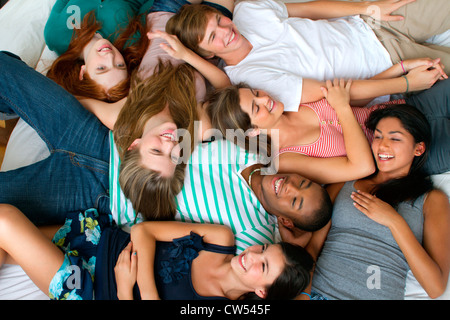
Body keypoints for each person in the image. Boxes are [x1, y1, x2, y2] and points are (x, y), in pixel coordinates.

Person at [0, 50, 197, 225]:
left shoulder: (196, 125)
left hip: (96, 193)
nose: (170, 143)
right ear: (133, 145)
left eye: (158, 151)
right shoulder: (135, 109)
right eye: (170, 154)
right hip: (94, 138)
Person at [166, 0, 449, 110]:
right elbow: (334, 93)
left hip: (370, 25)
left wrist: (367, 8)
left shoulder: (246, 12)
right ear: (206, 53)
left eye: (218, 20)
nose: (226, 30)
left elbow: (309, 9)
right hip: (389, 61)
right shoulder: (250, 81)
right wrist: (407, 83)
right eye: (213, 37)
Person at [0, 204, 315, 300]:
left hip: (92, 290)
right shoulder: (220, 237)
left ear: (261, 291)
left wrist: (126, 288)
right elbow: (143, 230)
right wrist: (147, 292)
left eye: (262, 266)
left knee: (5, 220)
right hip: (98, 241)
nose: (252, 255)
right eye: (263, 248)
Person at [205, 64, 450, 184]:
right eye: (256, 107)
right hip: (413, 151)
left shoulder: (295, 104)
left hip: (405, 108)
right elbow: (362, 167)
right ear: (253, 132)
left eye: (256, 93)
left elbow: (352, 96)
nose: (265, 98)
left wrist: (400, 71)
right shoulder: (287, 159)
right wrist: (342, 107)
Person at [308, 104, 450, 300]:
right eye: (378, 136)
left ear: (418, 148)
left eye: (395, 138)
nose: (382, 145)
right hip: (320, 293)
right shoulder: (344, 182)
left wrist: (394, 221)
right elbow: (313, 249)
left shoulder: (431, 200)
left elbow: (436, 288)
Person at [112, 138, 333, 252]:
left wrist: (298, 246)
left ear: (286, 221)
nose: (290, 186)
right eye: (302, 182)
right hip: (119, 143)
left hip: (111, 194)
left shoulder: (256, 234)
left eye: (294, 201)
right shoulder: (257, 151)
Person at [44, 0, 153, 102]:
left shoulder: (55, 36)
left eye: (101, 68)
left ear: (83, 72)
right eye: (120, 65)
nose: (110, 56)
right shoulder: (132, 41)